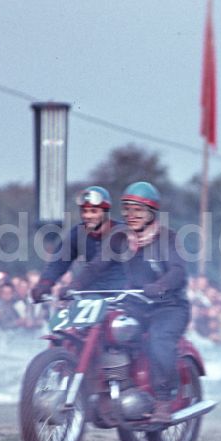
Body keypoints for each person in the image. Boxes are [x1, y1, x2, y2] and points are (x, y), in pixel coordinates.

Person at [75, 181, 190, 422]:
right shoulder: (119, 239)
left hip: (169, 307)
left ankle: (162, 401)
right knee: (108, 329)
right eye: (127, 209)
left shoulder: (167, 238)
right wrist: (72, 288)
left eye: (138, 210)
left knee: (159, 340)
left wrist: (160, 286)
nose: (131, 215)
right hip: (136, 303)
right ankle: (113, 389)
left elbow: (178, 271)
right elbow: (97, 265)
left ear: (151, 213)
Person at [31, 185, 128, 301]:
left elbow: (96, 267)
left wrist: (75, 286)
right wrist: (45, 283)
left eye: (94, 211)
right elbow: (58, 261)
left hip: (123, 295)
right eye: (84, 211)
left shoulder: (120, 232)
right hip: (92, 296)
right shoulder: (78, 233)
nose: (88, 216)